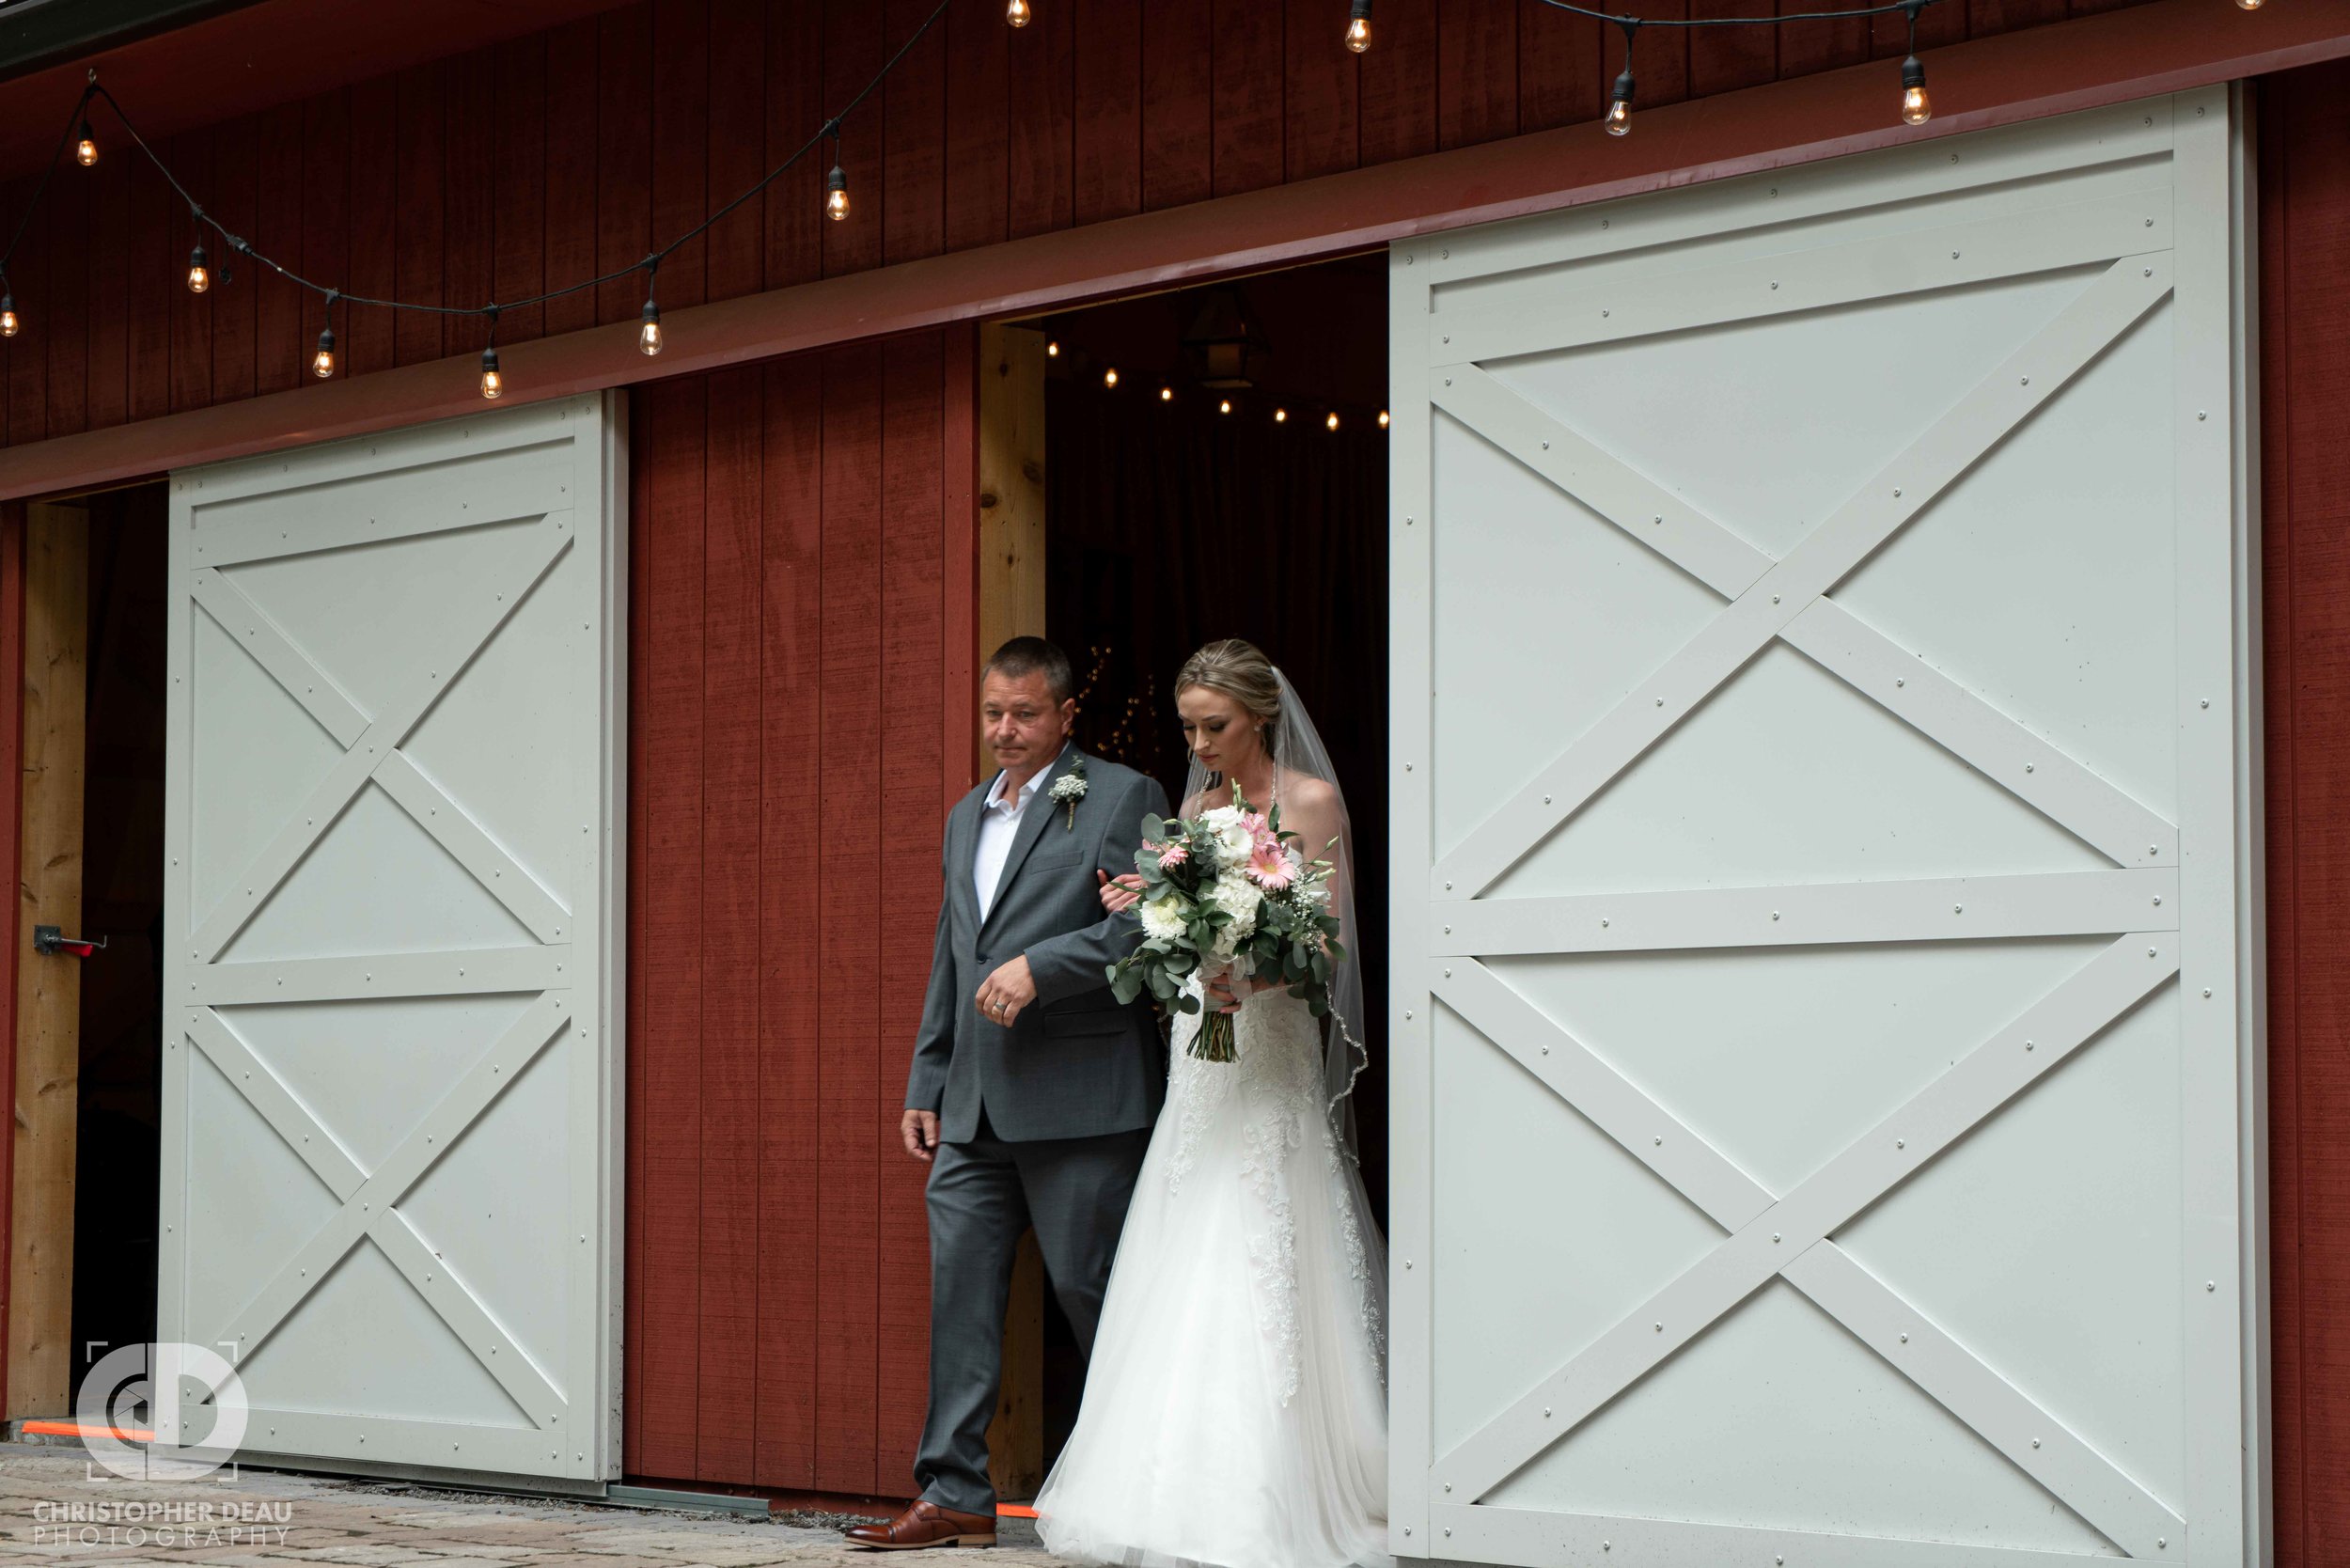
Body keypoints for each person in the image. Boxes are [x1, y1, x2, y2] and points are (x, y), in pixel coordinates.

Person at [1031, 638, 1391, 1568]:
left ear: (1258, 716)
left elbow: (1326, 942)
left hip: (1266, 1046)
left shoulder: (1307, 803)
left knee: (1264, 1228)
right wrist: (1153, 914)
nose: (1200, 744)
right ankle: (1158, 1489)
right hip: (1202, 1047)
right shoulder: (1193, 808)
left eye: (1214, 726)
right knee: (1187, 1229)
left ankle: (1283, 1485)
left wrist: (1254, 978)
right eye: (1189, 727)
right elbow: (1174, 921)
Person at [846, 636, 1171, 1552]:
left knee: (1091, 1290)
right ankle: (953, 1493)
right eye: (994, 712)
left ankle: (1144, 1481)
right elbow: (955, 957)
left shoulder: (1121, 794)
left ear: (1066, 717)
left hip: (1081, 1098)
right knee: (960, 1295)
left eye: (1025, 714)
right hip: (974, 1107)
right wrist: (928, 1076)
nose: (1005, 730)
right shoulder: (962, 819)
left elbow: (1151, 926)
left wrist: (1046, 965)